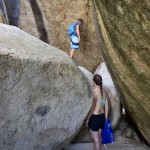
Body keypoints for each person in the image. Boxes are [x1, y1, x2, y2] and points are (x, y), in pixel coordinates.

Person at [85, 74, 109, 150]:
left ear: (94, 81)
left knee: (96, 140)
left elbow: (93, 107)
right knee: (99, 139)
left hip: (95, 117)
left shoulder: (95, 91)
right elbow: (106, 106)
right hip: (102, 117)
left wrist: (88, 118)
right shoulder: (104, 91)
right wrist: (105, 118)